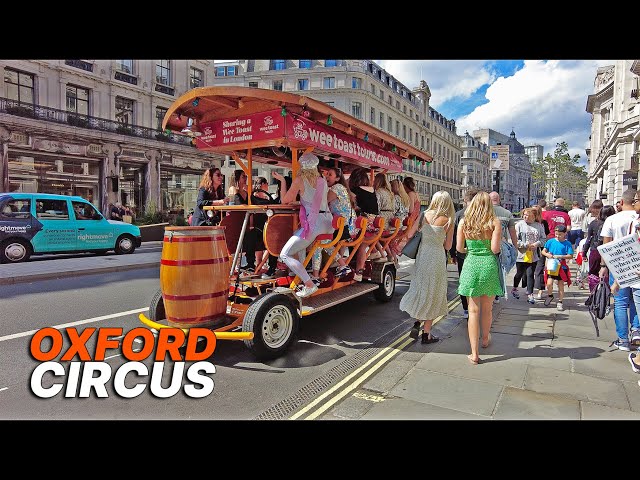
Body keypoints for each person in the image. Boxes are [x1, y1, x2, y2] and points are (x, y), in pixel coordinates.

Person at [401, 191, 455, 345]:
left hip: (423, 256)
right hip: (437, 257)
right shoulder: (449, 220)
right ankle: (427, 334)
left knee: (421, 288)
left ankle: (418, 322)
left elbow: (410, 234)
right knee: (433, 293)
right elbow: (448, 246)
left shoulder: (424, 215)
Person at [456, 191, 503, 365]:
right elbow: (495, 249)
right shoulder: (494, 222)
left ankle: (474, 353)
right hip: (489, 265)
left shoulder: (464, 222)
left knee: (473, 311)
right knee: (488, 309)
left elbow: (459, 248)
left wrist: (472, 250)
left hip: (471, 265)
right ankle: (485, 339)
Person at [278, 152, 334, 298]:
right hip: (327, 222)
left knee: (284, 254)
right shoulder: (322, 180)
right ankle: (302, 276)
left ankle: (309, 284)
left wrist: (283, 181)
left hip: (314, 224)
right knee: (299, 235)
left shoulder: (299, 180)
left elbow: (285, 200)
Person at [600, 188, 640, 350]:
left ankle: (623, 339)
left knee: (621, 302)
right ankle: (636, 331)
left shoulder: (612, 219)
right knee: (635, 302)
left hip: (619, 265)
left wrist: (603, 266)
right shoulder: (635, 219)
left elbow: (606, 244)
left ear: (622, 202)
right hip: (636, 265)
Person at [311, 166, 356, 280]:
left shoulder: (336, 188)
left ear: (337, 178)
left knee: (318, 243)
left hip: (341, 226)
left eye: (330, 174)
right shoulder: (341, 188)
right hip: (344, 225)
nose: (327, 177)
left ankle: (315, 276)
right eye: (326, 174)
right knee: (323, 243)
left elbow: (321, 202)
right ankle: (342, 265)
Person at [449, 187, 480, 319]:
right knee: (478, 281)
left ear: (465, 200)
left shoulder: (458, 215)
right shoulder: (483, 215)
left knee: (464, 281)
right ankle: (476, 306)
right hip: (480, 254)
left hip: (463, 254)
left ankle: (466, 308)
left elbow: (453, 237)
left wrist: (453, 254)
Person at [349, 167, 379, 282]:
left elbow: (354, 206)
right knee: (363, 244)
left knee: (360, 244)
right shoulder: (371, 189)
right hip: (374, 222)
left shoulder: (356, 190)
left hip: (364, 221)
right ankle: (375, 252)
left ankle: (358, 271)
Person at [512, 207, 547, 304]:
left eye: (529, 216)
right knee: (519, 273)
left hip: (533, 254)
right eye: (525, 215)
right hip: (521, 254)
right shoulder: (519, 225)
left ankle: (530, 294)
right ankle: (515, 288)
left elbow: (543, 239)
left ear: (534, 216)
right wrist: (524, 245)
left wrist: (536, 244)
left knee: (530, 273)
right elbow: (515, 239)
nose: (526, 217)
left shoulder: (539, 226)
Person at [488, 191, 518, 303]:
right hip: (501, 245)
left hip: (486, 244)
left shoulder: (486, 212)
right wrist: (515, 246)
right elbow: (512, 232)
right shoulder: (507, 213)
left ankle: (489, 292)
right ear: (499, 200)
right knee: (500, 269)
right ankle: (496, 293)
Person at [541, 224, 573, 311]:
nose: (557, 236)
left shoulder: (567, 243)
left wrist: (560, 256)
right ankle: (550, 295)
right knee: (549, 283)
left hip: (562, 267)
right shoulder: (550, 241)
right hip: (552, 266)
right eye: (556, 234)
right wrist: (547, 254)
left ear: (565, 234)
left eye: (560, 234)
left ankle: (560, 301)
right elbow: (543, 251)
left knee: (561, 285)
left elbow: (570, 255)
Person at [582, 204, 613, 291]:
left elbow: (588, 239)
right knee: (608, 274)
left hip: (595, 250)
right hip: (610, 252)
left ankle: (593, 292)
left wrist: (584, 253)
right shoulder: (613, 223)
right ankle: (605, 293)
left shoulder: (594, 223)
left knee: (593, 273)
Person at [373, 172, 395, 260]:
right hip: (390, 218)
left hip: (382, 217)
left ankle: (383, 254)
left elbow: (376, 206)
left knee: (373, 235)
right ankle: (389, 255)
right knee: (382, 237)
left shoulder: (378, 192)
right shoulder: (390, 193)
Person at [532, 205, 550, 300]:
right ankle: (539, 290)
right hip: (539, 247)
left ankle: (536, 290)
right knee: (538, 269)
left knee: (536, 269)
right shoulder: (543, 222)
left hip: (536, 248)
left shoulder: (540, 223)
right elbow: (546, 234)